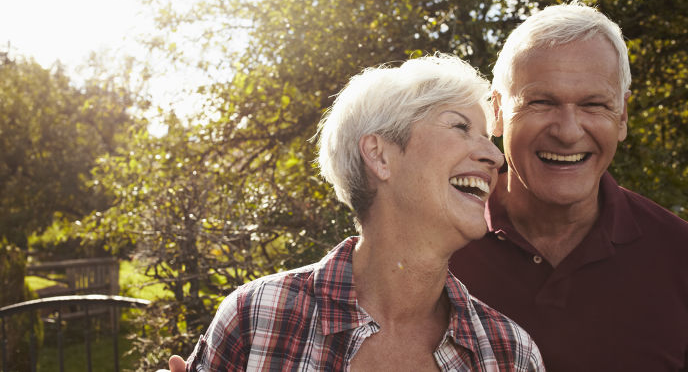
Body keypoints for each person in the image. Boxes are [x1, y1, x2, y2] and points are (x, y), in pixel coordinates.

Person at [169, 54, 545, 371]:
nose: (496, 157)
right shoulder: (256, 316)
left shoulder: (510, 354)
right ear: (379, 155)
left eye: (489, 140)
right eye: (460, 127)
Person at [449, 1, 688, 372]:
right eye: (541, 102)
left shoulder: (680, 256)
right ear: (496, 112)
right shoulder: (436, 245)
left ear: (622, 116)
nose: (568, 131)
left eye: (594, 105)